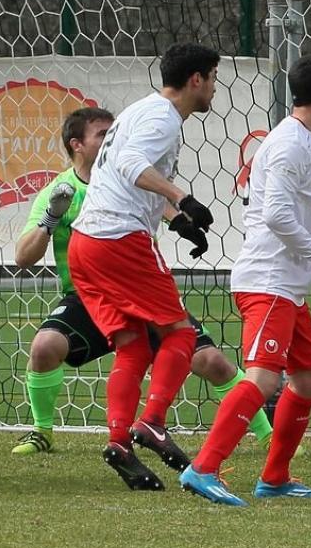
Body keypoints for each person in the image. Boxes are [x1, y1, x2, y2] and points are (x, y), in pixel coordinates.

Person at [10, 107, 273, 456]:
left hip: (136, 291)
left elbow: (160, 208)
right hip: (87, 299)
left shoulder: (123, 179)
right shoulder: (58, 191)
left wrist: (184, 224)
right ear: (77, 145)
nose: (110, 140)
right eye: (102, 135)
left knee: (210, 361)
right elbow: (23, 258)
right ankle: (43, 431)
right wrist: (50, 217)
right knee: (44, 347)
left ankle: (268, 436)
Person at [180, 55, 311, 507]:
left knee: (308, 378)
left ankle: (274, 478)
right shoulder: (290, 143)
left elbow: (294, 217)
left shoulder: (303, 140)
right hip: (269, 281)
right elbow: (274, 215)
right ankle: (204, 467)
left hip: (287, 286)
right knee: (263, 378)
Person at [68, 42, 220, 490]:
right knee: (181, 333)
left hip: (87, 242)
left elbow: (114, 172)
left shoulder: (139, 110)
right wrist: (180, 196)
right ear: (196, 79)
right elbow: (133, 165)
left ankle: (119, 442)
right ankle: (152, 422)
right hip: (120, 240)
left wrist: (177, 221)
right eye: (212, 78)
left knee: (133, 345)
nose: (214, 88)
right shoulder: (162, 118)